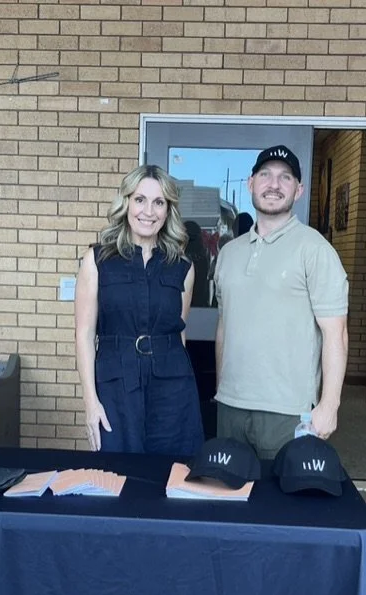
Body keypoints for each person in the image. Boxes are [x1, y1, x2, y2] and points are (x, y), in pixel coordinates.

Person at [214, 145, 349, 460]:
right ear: (251, 183)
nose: (273, 185)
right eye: (265, 175)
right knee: (230, 501)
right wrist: (222, 389)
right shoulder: (229, 253)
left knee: (283, 506)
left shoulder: (315, 250)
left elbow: (336, 334)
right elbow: (225, 326)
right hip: (231, 407)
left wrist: (330, 405)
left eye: (285, 178)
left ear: (298, 190)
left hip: (288, 412)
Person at [74, 164, 204, 455]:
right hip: (115, 385)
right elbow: (83, 336)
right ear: (126, 203)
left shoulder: (183, 267)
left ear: (168, 210)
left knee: (173, 477)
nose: (149, 211)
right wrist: (90, 403)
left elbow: (178, 332)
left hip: (172, 388)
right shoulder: (96, 261)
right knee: (117, 477)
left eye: (159, 202)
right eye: (140, 199)